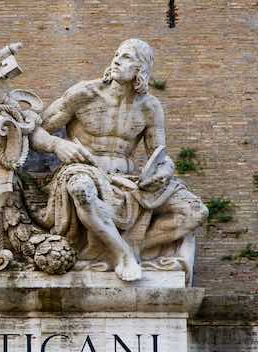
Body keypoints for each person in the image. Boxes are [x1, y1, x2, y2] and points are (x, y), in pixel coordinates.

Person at [29, 38, 207, 281]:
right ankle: (121, 253)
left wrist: (161, 172)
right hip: (83, 170)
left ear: (140, 69)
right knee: (81, 189)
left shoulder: (149, 107)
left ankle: (135, 246)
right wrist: (57, 144)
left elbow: (161, 155)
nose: (116, 60)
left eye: (126, 57)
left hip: (128, 180)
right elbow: (34, 130)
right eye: (116, 54)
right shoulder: (85, 94)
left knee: (195, 211)